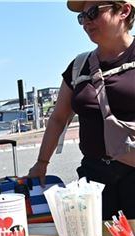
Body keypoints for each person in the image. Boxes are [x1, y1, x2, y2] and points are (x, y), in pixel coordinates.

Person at [28, 0, 135, 219]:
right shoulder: (79, 66)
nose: (86, 22)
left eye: (93, 13)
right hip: (95, 178)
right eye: (82, 17)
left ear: (124, 10)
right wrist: (41, 164)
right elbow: (58, 118)